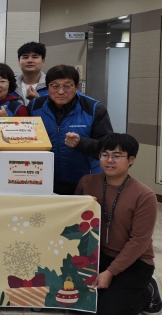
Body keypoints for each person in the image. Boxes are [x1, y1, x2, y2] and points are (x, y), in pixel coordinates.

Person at [75, 134, 162, 315]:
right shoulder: (87, 183)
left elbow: (139, 241)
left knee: (107, 311)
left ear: (131, 159)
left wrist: (110, 273)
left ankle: (147, 292)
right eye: (104, 154)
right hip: (97, 256)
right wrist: (84, 207)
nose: (109, 160)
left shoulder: (144, 196)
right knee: (78, 304)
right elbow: (73, 218)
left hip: (135, 261)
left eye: (116, 156)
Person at [28, 65, 113, 195]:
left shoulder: (93, 108)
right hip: (44, 179)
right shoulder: (35, 106)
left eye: (67, 86)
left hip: (84, 180)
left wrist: (81, 143)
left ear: (77, 86)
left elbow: (108, 147)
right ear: (47, 87)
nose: (61, 91)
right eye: (55, 86)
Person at [14, 41, 48, 106]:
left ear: (43, 61)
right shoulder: (10, 86)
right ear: (19, 62)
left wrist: (38, 100)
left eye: (35, 57)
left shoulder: (52, 85)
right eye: (25, 57)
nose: (29, 60)